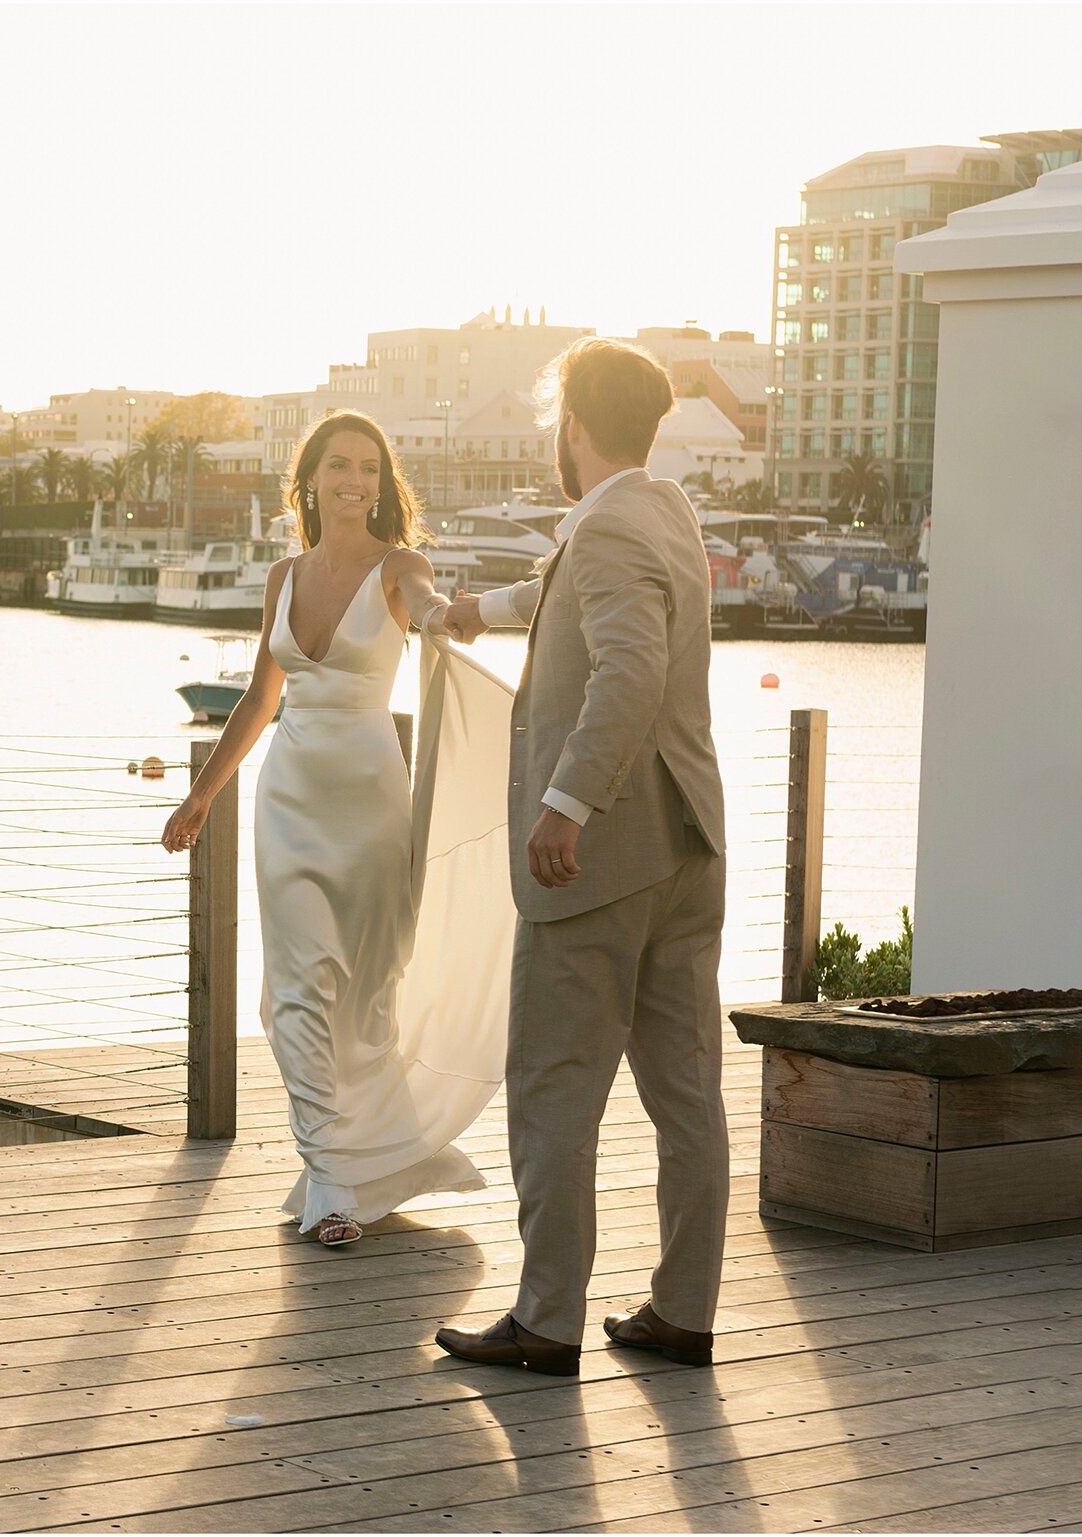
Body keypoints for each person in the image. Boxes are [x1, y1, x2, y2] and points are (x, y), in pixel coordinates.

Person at [432, 337, 730, 1376]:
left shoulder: (601, 527)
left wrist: (563, 804)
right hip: (686, 841)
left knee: (551, 1086)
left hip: (598, 857)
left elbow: (628, 669)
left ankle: (547, 1318)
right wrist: (478, 611)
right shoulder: (659, 510)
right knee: (684, 1089)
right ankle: (681, 1309)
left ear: (570, 424)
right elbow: (576, 595)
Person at [162, 411, 513, 1248]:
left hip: (371, 810)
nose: (353, 480)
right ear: (309, 479)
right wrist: (204, 795)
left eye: (368, 467)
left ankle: (370, 1157)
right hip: (288, 801)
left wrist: (440, 618)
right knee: (296, 991)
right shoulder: (281, 577)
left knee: (363, 997)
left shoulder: (402, 567)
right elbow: (259, 699)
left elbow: (426, 609)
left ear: (381, 485)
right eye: (337, 466)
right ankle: (328, 1180)